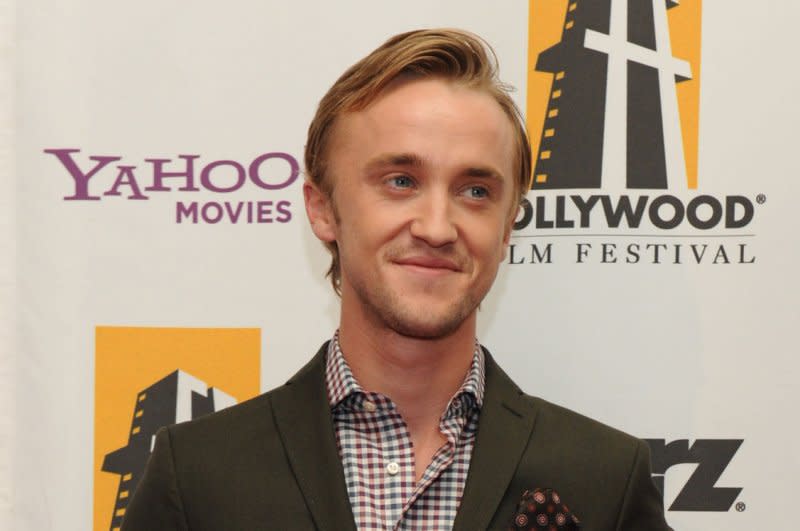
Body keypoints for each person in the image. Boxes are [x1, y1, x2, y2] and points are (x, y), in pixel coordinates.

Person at [121, 29, 670, 530]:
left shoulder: (606, 481)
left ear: (508, 226)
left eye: (475, 191)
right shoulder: (195, 477)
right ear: (323, 209)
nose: (436, 227)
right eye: (401, 181)